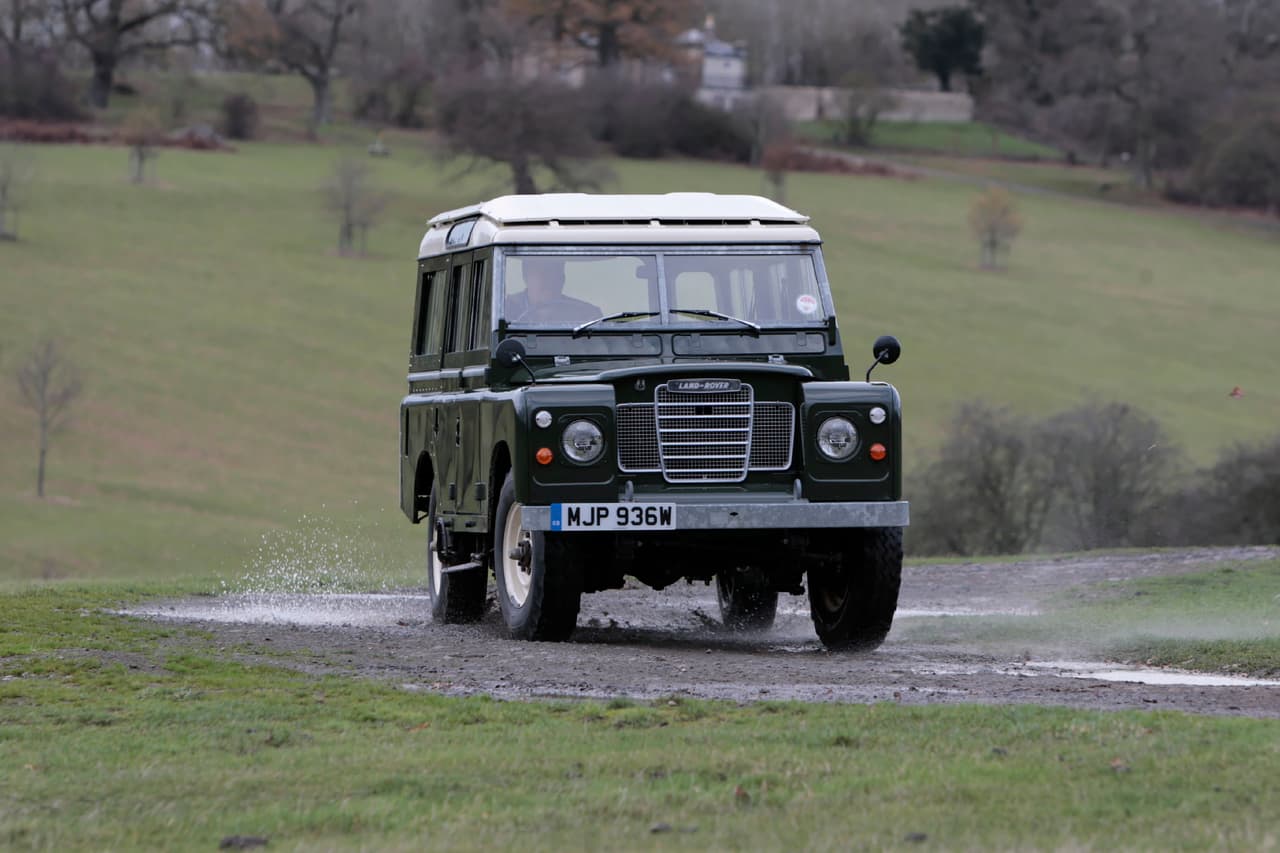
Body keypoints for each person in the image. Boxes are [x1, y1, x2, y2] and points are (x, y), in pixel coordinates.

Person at [505, 257, 601, 323]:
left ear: (562, 279)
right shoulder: (506, 311)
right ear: (526, 277)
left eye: (551, 272)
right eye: (539, 272)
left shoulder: (586, 316)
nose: (546, 279)